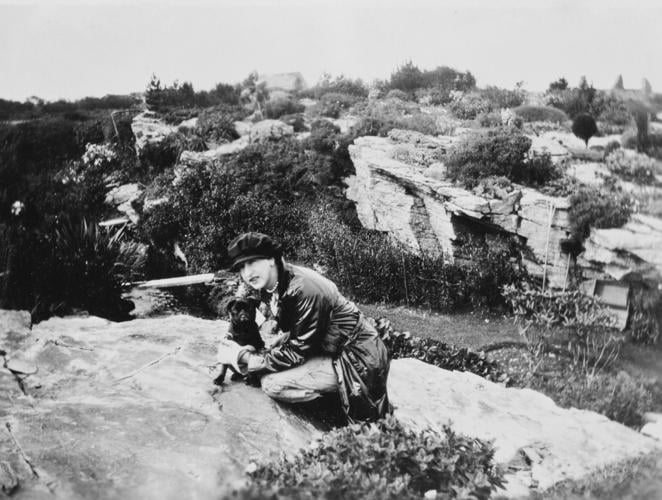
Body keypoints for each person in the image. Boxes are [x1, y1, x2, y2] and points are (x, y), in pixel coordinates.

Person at [216, 232, 392, 423]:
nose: (247, 273)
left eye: (252, 263)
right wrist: (284, 338)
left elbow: (297, 352)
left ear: (270, 259)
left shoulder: (304, 289)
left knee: (272, 384)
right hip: (331, 348)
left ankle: (331, 413)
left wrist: (244, 358)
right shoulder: (272, 284)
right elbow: (308, 327)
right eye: (241, 267)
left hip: (358, 359)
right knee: (270, 358)